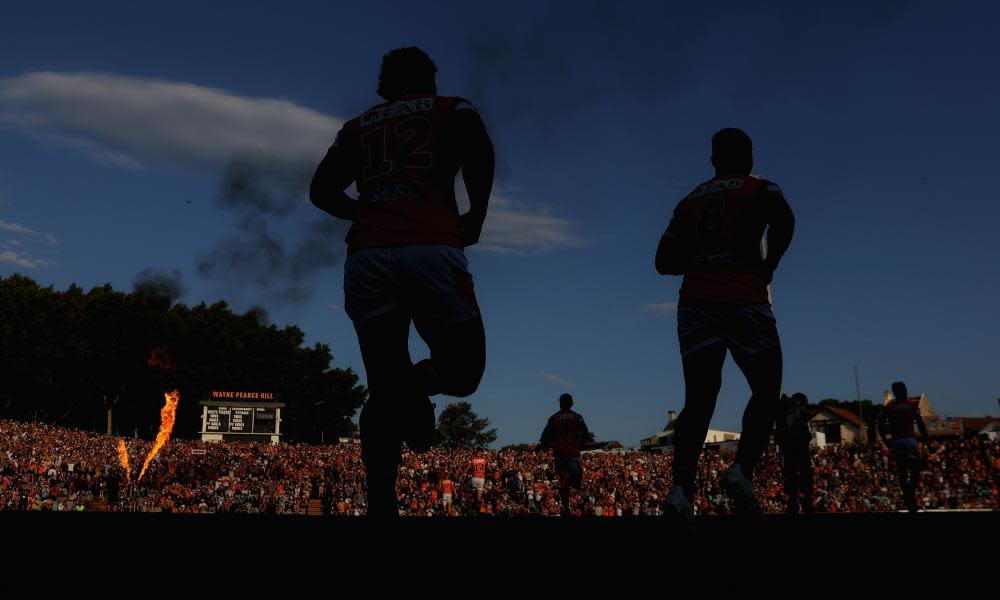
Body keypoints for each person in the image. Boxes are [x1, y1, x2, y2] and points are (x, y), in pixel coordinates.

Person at [310, 46, 495, 517]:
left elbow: (320, 190)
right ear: (430, 79)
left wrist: (367, 211)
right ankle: (417, 389)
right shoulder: (452, 108)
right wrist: (477, 213)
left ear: (383, 84)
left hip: (368, 257)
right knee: (466, 369)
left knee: (382, 385)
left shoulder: (357, 127)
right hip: (430, 249)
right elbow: (479, 150)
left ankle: (381, 505)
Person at [655, 128, 795, 524]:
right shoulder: (762, 188)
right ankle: (741, 471)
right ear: (750, 156)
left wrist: (703, 259)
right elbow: (786, 222)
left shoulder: (688, 201)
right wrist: (768, 267)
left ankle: (681, 489)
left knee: (699, 400)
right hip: (745, 298)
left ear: (713, 159)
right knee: (767, 390)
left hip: (695, 304)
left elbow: (663, 261)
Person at [878, 381, 930, 512]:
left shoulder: (889, 407)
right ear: (903, 391)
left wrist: (886, 440)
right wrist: (927, 442)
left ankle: (908, 499)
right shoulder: (911, 405)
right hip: (910, 440)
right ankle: (910, 495)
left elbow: (879, 424)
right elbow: (921, 425)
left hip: (896, 442)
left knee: (902, 472)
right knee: (914, 471)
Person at [539, 393, 590, 515]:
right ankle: (569, 502)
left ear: (560, 403)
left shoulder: (552, 418)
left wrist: (546, 445)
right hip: (572, 453)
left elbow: (544, 435)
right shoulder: (577, 417)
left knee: (564, 481)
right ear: (571, 403)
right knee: (576, 480)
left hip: (559, 454)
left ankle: (566, 507)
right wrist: (582, 443)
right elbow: (585, 431)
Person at [774, 393, 816, 515]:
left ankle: (804, 500)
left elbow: (806, 434)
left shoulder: (798, 415)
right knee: (792, 476)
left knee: (803, 475)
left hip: (798, 450)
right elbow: (779, 435)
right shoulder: (784, 416)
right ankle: (795, 501)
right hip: (791, 450)